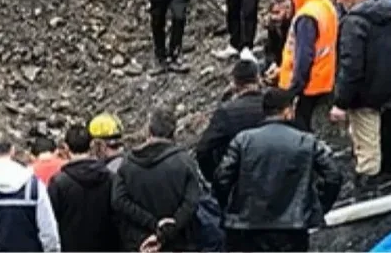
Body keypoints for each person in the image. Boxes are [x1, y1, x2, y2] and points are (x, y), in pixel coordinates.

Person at [213, 88, 342, 253]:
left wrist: (230, 208)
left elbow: (221, 178)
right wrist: (317, 206)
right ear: (288, 110)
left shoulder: (242, 140)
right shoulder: (306, 140)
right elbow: (333, 175)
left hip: (247, 225)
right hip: (292, 227)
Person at [330, 0, 391, 198]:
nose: (338, 2)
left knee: (366, 145)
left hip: (364, 95)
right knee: (385, 132)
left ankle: (368, 190)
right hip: (390, 87)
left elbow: (351, 66)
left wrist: (341, 101)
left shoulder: (353, 23)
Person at [112, 108, 200, 253]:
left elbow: (118, 200)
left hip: (141, 242)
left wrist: (152, 223)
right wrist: (170, 228)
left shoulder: (128, 163)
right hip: (179, 242)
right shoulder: (185, 162)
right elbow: (192, 202)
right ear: (173, 133)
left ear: (149, 131)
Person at [275, 0, 339, 133]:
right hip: (323, 79)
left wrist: (293, 90)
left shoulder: (307, 15)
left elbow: (304, 55)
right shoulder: (325, 5)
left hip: (307, 86)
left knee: (301, 132)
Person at [48, 125, 119, 252]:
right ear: (91, 145)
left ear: (66, 147)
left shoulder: (59, 182)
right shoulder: (110, 178)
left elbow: (51, 221)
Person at [196, 60, 266, 183]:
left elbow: (203, 150)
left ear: (234, 83)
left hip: (240, 177)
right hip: (270, 173)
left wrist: (215, 178)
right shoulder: (272, 105)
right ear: (258, 78)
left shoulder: (226, 112)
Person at [264, 0, 294, 70]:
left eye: (277, 12)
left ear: (288, 9)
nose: (273, 17)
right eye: (271, 13)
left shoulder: (296, 25)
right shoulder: (273, 25)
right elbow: (270, 48)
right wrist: (272, 63)